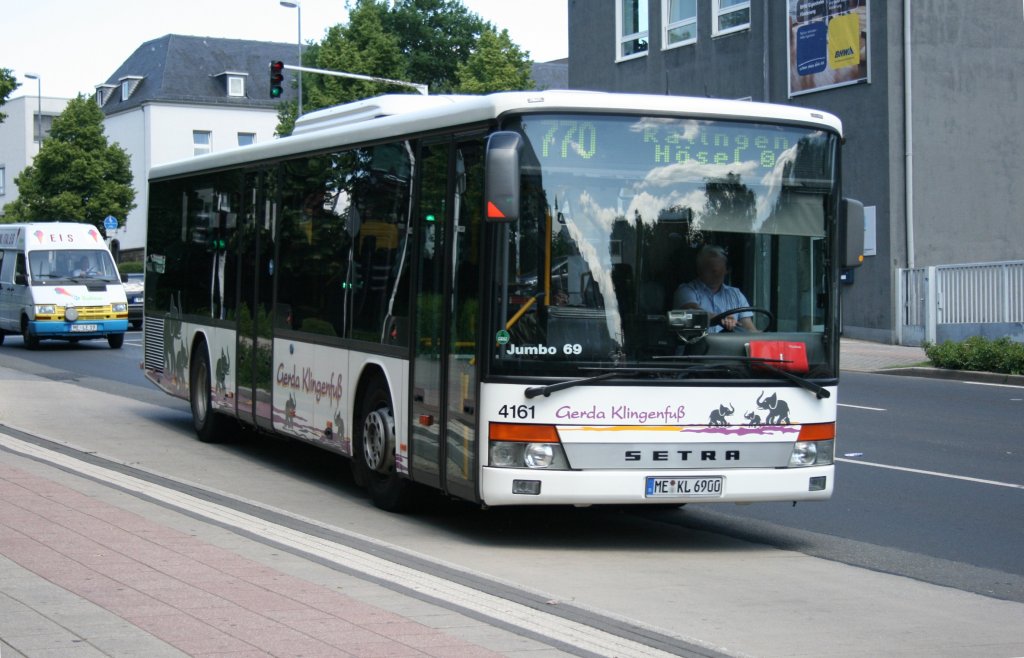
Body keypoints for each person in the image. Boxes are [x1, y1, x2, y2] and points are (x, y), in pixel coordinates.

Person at [673, 245, 758, 332]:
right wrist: (720, 318)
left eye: (719, 270)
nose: (716, 274)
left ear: (726, 270)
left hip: (731, 345)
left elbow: (748, 328)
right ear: (699, 270)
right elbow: (692, 310)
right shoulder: (686, 290)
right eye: (712, 270)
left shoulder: (736, 294)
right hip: (697, 344)